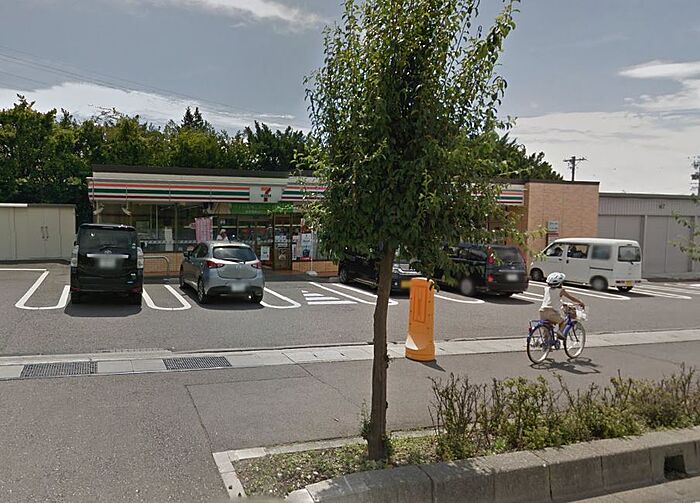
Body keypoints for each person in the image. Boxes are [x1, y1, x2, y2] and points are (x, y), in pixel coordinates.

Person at [539, 272, 585, 339]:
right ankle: (560, 333)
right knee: (563, 321)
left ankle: (545, 343)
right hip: (551, 312)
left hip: (542, 311)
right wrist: (580, 302)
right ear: (560, 283)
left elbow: (552, 299)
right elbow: (571, 297)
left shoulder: (546, 289)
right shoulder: (561, 290)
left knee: (546, 328)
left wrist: (562, 303)